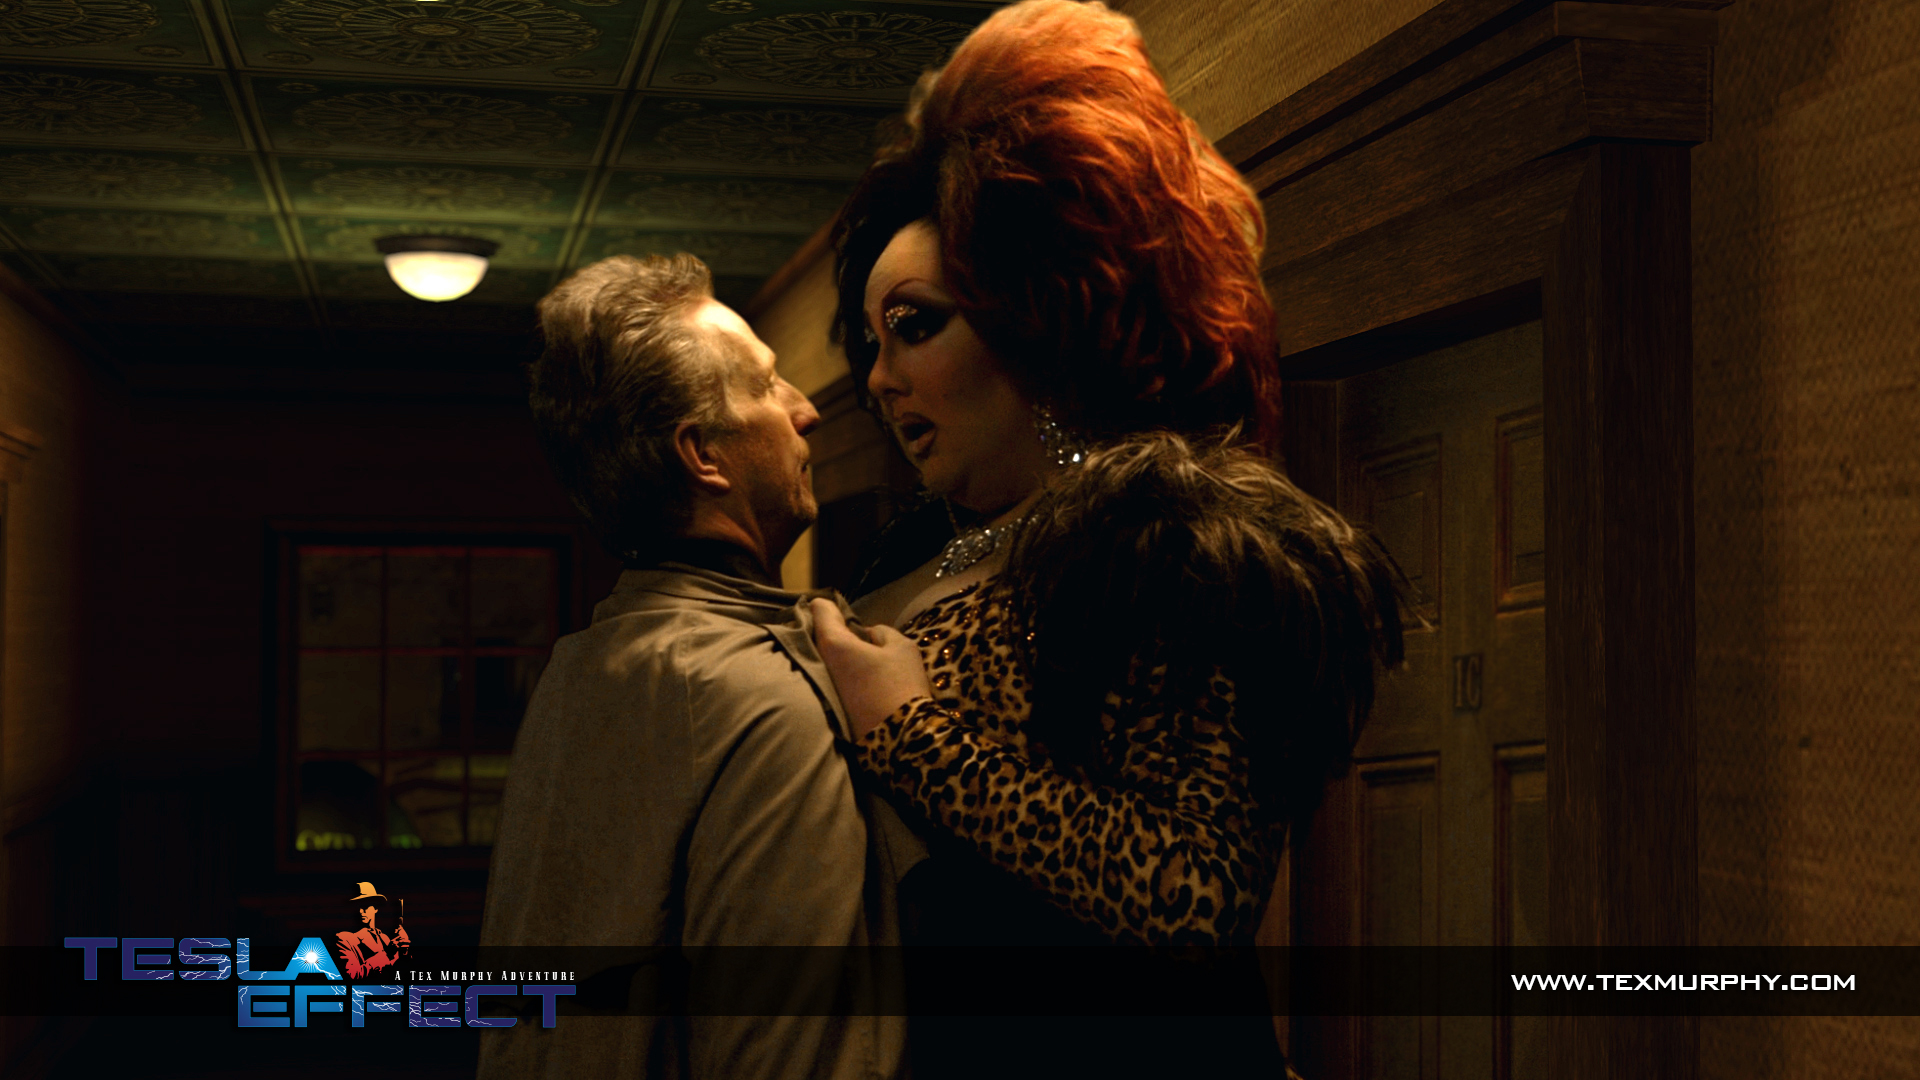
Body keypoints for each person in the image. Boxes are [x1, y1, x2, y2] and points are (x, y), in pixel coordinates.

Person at [807, 1, 1407, 1074]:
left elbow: (1196, 894)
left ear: (1036, 315)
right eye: (871, 341)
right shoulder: (907, 550)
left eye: (916, 325)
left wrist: (914, 734)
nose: (881, 378)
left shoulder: (1180, 549)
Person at [479, 254, 912, 1080]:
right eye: (769, 384)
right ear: (703, 455)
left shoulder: (575, 672)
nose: (806, 409)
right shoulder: (764, 701)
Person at [333, 881, 408, 980]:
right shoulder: (345, 939)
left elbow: (399, 971)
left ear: (376, 908)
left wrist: (404, 950)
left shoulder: (385, 939)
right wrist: (386, 953)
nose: (361, 911)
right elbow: (352, 975)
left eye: (365, 906)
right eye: (358, 907)